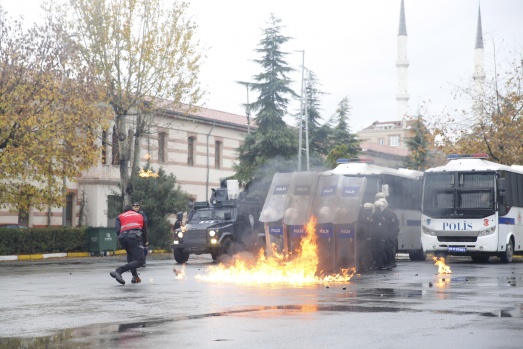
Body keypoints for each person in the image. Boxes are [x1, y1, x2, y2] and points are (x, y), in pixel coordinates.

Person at [110, 205, 148, 285]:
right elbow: (144, 230)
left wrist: (123, 236)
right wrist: (145, 242)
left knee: (130, 255)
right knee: (140, 261)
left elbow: (117, 230)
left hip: (123, 238)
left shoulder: (120, 216)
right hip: (134, 237)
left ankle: (135, 276)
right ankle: (118, 271)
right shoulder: (140, 215)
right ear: (132, 210)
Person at [379, 198, 400, 269]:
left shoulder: (389, 214)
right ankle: (390, 262)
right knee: (386, 248)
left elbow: (392, 225)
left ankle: (391, 262)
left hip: (390, 235)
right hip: (386, 234)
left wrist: (391, 234)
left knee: (389, 249)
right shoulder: (383, 213)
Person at [357, 202, 376, 272]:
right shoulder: (363, 215)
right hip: (364, 235)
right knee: (364, 251)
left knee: (365, 252)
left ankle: (367, 265)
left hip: (365, 236)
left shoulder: (364, 216)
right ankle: (365, 266)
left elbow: (367, 226)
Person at [132, 201, 149, 267]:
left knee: (143, 247)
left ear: (139, 207)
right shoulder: (131, 214)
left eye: (137, 207)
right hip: (133, 232)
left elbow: (145, 224)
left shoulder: (142, 214)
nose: (136, 208)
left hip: (140, 232)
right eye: (135, 207)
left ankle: (143, 261)